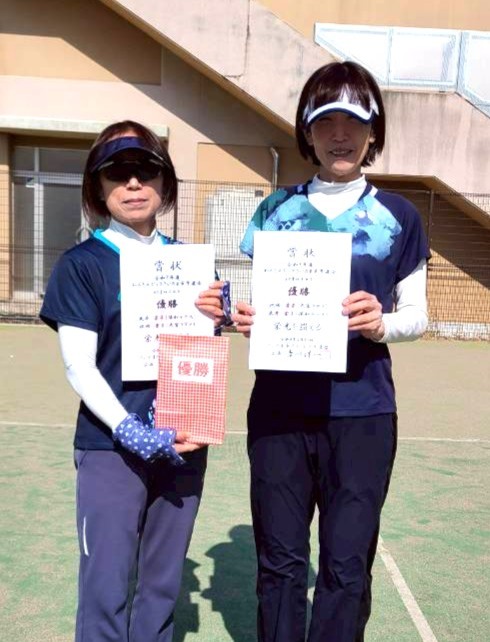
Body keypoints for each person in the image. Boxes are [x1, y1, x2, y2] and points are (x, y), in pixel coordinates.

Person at [232, 61, 430, 642]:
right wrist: (247, 318)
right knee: (280, 561)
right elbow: (255, 302)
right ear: (307, 131)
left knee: (346, 565)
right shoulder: (274, 210)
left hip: (363, 412)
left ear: (373, 132)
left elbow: (418, 315)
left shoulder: (399, 216)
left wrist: (382, 324)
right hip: (279, 411)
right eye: (325, 122)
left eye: (353, 123)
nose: (339, 135)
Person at [40, 120, 228, 642]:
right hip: (111, 447)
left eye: (146, 170)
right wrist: (129, 429)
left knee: (162, 586)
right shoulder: (82, 264)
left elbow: (200, 350)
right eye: (116, 173)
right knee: (105, 585)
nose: (133, 184)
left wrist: (218, 315)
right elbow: (79, 364)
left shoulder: (190, 263)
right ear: (97, 187)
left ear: (165, 182)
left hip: (184, 441)